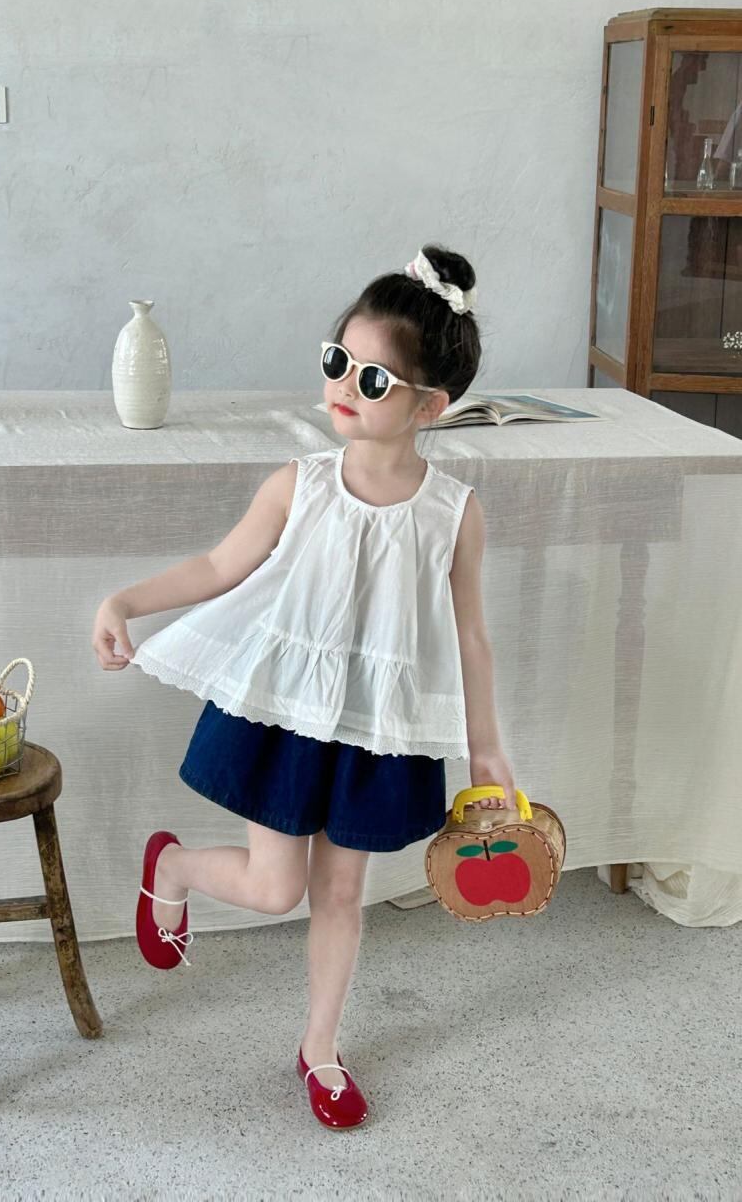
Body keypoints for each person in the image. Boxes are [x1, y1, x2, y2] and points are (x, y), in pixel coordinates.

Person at [91, 243, 517, 1130]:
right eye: (336, 361)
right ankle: (173, 865)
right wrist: (124, 601)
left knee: (340, 895)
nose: (341, 387)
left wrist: (487, 755)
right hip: (288, 714)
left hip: (376, 727)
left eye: (372, 379)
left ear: (429, 406)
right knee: (273, 889)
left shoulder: (454, 514)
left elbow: (471, 637)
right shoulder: (300, 485)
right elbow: (218, 566)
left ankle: (320, 1048)